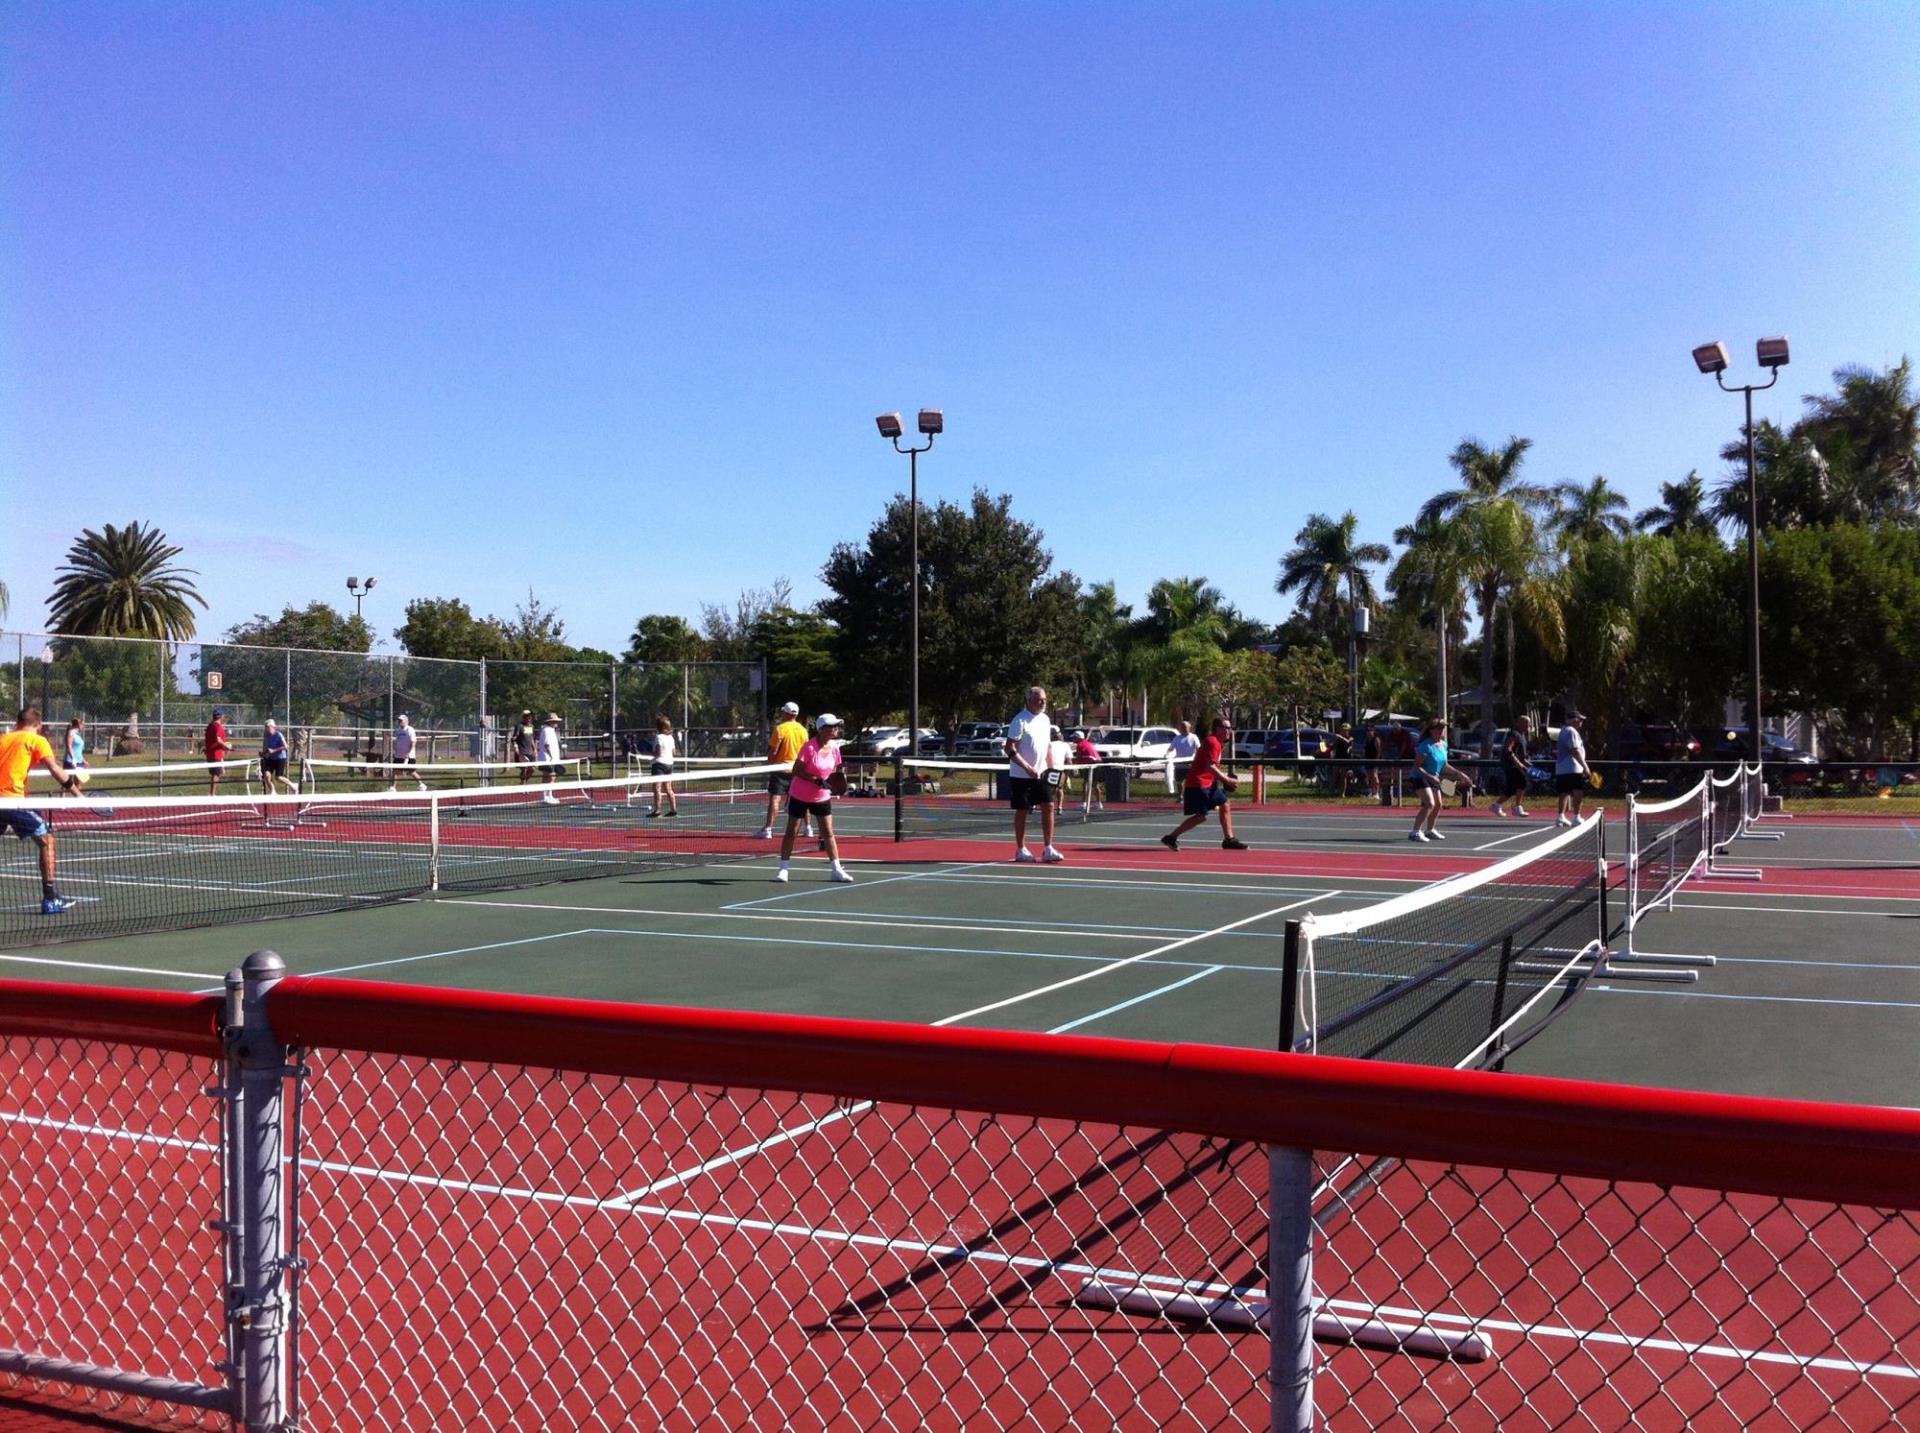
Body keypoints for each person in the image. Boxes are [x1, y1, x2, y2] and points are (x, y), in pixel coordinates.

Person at [1, 708, 81, 914]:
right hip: (11, 802)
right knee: (47, 840)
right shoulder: (36, 740)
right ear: (38, 725)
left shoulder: (3, 739)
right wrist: (77, 794)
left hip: (10, 801)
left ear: (18, 722)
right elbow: (54, 769)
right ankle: (50, 898)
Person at [776, 714, 853, 884]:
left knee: (828, 832)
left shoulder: (835, 748)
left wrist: (837, 782)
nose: (835, 729)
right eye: (832, 726)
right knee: (792, 831)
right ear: (822, 729)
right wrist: (815, 780)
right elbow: (796, 770)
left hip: (822, 796)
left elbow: (836, 769)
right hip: (800, 794)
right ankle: (783, 869)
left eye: (836, 726)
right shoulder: (809, 747)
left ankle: (836, 870)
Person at [1160, 717, 1248, 852]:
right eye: (1225, 727)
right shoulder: (1212, 742)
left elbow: (1211, 766)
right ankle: (1171, 837)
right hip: (1198, 784)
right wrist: (1226, 779)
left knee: (1225, 804)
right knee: (1201, 817)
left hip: (1209, 783)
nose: (1228, 731)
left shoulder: (1218, 743)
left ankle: (1229, 839)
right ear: (1217, 729)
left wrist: (1223, 779)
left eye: (1230, 728)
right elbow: (1210, 766)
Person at [1004, 686, 1064, 864]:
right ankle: (1021, 849)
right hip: (1021, 776)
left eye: (1045, 699)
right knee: (1022, 811)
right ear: (1029, 700)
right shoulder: (1020, 721)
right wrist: (1027, 767)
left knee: (1049, 806)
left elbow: (1047, 747)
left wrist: (1053, 770)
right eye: (1040, 699)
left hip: (1042, 774)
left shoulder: (1045, 720)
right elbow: (1009, 748)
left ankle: (1048, 848)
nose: (1043, 702)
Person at [1408, 718, 1474, 843]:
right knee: (1429, 804)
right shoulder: (1425, 746)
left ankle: (1430, 830)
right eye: (1438, 728)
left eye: (1443, 728)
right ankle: (1415, 832)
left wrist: (1459, 774)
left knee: (1438, 805)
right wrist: (1430, 776)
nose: (1441, 731)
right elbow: (1417, 766)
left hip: (1434, 778)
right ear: (1431, 730)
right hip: (1420, 777)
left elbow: (1444, 765)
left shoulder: (1443, 744)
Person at [760, 701, 812, 839]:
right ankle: (808, 828)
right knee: (803, 799)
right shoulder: (803, 730)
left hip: (781, 770)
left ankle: (768, 830)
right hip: (797, 770)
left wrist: (770, 763)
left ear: (786, 713)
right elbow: (806, 751)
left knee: (775, 799)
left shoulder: (780, 729)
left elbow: (773, 750)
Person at [1489, 716, 1533, 818]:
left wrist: (1527, 763)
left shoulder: (1522, 736)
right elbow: (1508, 750)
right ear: (1519, 723)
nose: (1528, 726)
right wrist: (1519, 764)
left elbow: (1520, 754)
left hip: (1516, 764)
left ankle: (1496, 805)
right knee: (1522, 782)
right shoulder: (1514, 734)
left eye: (1529, 724)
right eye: (1526, 723)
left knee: (1511, 788)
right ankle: (1517, 807)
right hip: (1510, 765)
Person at [1555, 710, 1592, 826]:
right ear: (1574, 720)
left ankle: (1561, 817)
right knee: (1578, 792)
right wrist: (1585, 766)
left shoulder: (1563, 731)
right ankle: (1576, 817)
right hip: (1573, 768)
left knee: (1564, 793)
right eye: (1580, 719)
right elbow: (1575, 751)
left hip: (1562, 768)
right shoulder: (1571, 731)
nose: (1581, 722)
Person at [648, 715, 679, 816]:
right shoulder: (671, 738)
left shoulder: (658, 737)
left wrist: (650, 753)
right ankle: (673, 809)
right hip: (669, 765)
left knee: (657, 787)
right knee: (668, 788)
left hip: (659, 765)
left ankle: (657, 810)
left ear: (659, 727)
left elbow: (658, 753)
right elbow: (674, 753)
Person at [390, 714, 427, 792]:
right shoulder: (398, 730)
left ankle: (422, 785)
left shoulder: (410, 729)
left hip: (409, 756)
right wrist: (395, 751)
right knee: (395, 771)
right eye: (399, 720)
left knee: (412, 771)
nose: (399, 722)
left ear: (406, 721)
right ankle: (393, 788)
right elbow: (397, 742)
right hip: (398, 756)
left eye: (401, 720)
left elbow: (414, 741)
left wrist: (409, 752)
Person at [1070, 729, 1103, 811]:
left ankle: (1084, 803)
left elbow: (1078, 759)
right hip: (1098, 763)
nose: (1073, 739)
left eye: (1074, 737)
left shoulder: (1080, 745)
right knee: (1095, 784)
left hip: (1091, 764)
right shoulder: (1088, 743)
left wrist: (1071, 765)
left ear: (1078, 738)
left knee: (1085, 784)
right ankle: (1099, 804)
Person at [537, 713, 565, 805]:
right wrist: (552, 757)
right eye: (555, 721)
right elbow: (547, 744)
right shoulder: (547, 730)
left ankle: (548, 796)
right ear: (550, 722)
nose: (556, 722)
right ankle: (547, 796)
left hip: (550, 759)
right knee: (551, 777)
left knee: (548, 777)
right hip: (548, 759)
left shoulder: (550, 730)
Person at [260, 719, 293, 796]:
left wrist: (274, 750)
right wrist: (263, 753)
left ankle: (292, 785)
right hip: (271, 758)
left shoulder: (279, 734)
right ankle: (273, 791)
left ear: (273, 727)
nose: (267, 729)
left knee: (278, 777)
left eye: (268, 727)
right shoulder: (267, 736)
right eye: (266, 727)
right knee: (267, 775)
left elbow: (286, 747)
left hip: (280, 758)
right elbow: (268, 749)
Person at [204, 708, 232, 796]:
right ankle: (212, 794)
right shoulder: (217, 726)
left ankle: (212, 793)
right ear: (221, 717)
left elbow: (212, 740)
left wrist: (225, 745)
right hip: (215, 754)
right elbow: (218, 739)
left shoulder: (210, 725)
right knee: (216, 773)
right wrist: (226, 746)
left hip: (214, 753)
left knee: (220, 772)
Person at [1167, 720, 1200, 790]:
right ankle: (1180, 797)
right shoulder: (1176, 738)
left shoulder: (1194, 737)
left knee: (1191, 783)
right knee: (1179, 782)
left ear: (1189, 728)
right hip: (1179, 765)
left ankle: (1190, 797)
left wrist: (1197, 758)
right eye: (1181, 727)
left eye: (1184, 727)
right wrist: (1167, 754)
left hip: (1190, 765)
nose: (1183, 728)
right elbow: (1170, 749)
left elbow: (1199, 749)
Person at [512, 711, 538, 784]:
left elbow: (531, 738)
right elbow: (515, 737)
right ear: (523, 717)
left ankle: (525, 781)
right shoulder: (520, 726)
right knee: (524, 768)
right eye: (527, 716)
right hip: (522, 751)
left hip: (530, 751)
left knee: (532, 769)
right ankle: (523, 784)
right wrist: (515, 744)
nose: (529, 718)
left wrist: (535, 749)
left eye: (530, 717)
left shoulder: (531, 726)